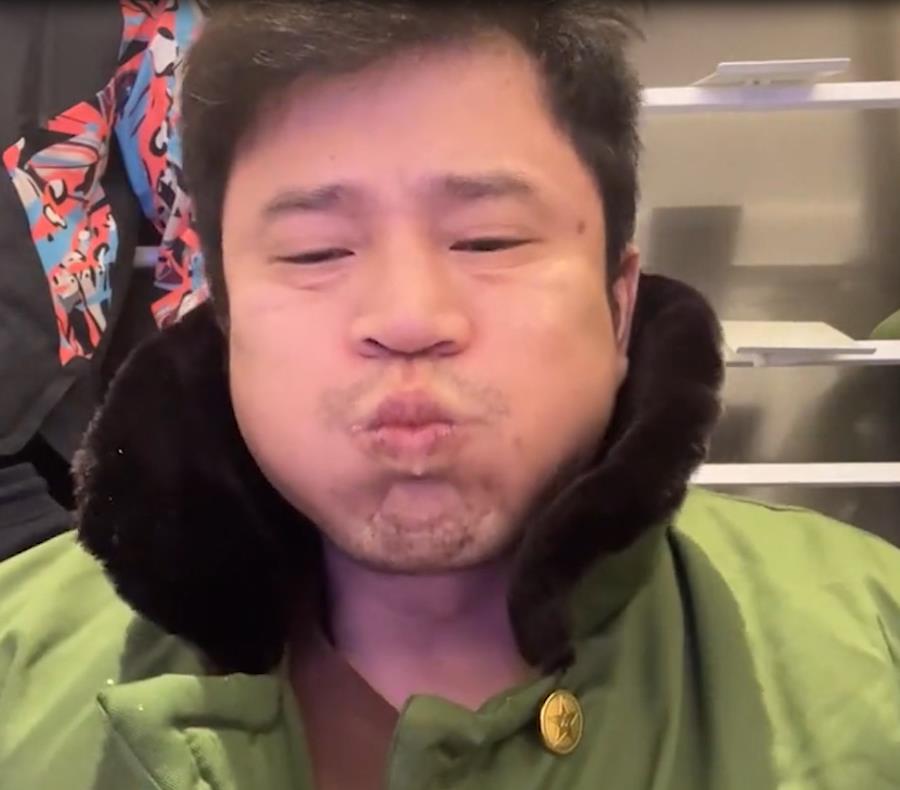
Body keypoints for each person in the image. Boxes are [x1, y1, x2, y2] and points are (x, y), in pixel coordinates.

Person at [1, 2, 899, 788]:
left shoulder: (872, 645)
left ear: (619, 305)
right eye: (317, 251)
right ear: (225, 319)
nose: (408, 317)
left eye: (489, 240)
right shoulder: (20, 667)